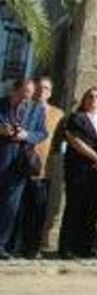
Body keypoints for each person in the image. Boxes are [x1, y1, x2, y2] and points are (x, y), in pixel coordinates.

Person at [61, 87, 97, 258]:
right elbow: (75, 140)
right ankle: (68, 247)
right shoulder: (76, 118)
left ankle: (85, 247)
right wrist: (96, 158)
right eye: (90, 96)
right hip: (81, 168)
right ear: (84, 99)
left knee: (92, 208)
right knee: (75, 206)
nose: (94, 99)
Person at [25, 76, 64, 258]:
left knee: (39, 209)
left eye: (47, 89)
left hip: (43, 167)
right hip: (18, 165)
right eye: (40, 87)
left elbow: (58, 143)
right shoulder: (23, 107)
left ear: (51, 92)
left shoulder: (57, 114)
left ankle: (33, 247)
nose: (42, 91)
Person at [0, 79, 35, 259]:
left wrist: (26, 135)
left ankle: (1, 245)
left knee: (10, 207)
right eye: (24, 92)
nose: (27, 96)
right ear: (14, 90)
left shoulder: (35, 109)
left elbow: (42, 132)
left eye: (30, 93)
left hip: (19, 165)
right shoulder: (1, 104)